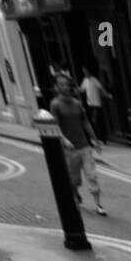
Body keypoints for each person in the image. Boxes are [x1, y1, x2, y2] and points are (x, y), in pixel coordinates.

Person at [49, 72, 106, 216]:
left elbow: (85, 122)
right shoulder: (55, 105)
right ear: (56, 87)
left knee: (92, 175)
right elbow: (55, 125)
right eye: (61, 84)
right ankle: (75, 195)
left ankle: (98, 204)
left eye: (66, 84)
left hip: (84, 146)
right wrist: (63, 139)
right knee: (73, 179)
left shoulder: (77, 103)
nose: (64, 87)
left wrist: (95, 140)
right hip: (69, 149)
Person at [80, 66, 110, 144]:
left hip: (96, 104)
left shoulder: (94, 80)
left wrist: (108, 95)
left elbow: (101, 90)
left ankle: (102, 138)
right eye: (83, 71)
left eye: (85, 71)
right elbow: (81, 90)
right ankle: (96, 138)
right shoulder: (85, 80)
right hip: (90, 104)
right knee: (92, 122)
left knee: (97, 122)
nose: (84, 73)